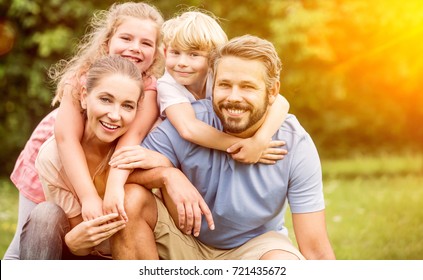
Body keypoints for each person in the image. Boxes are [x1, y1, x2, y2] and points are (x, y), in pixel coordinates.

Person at [110, 35, 336, 260]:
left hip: (255, 247)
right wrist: (167, 175)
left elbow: (316, 251)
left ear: (273, 91)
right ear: (213, 84)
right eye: (225, 85)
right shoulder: (189, 122)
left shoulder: (295, 143)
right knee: (132, 199)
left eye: (247, 87)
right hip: (183, 240)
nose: (233, 98)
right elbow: (126, 175)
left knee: (284, 264)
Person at [3, 1, 164, 260]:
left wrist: (113, 187)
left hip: (103, 160)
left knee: (86, 233)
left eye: (146, 43)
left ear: (156, 52)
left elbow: (131, 140)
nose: (135, 48)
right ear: (108, 41)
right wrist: (89, 197)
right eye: (126, 38)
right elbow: (66, 139)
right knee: (26, 241)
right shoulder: (81, 77)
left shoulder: (150, 90)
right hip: (56, 152)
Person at [20, 55, 168, 259]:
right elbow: (86, 240)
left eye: (127, 105)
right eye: (105, 99)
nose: (115, 115)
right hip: (84, 255)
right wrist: (73, 244)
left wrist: (168, 170)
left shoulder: (142, 146)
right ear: (84, 95)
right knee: (44, 215)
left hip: (133, 251)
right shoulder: (53, 158)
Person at [154, 10, 289, 164]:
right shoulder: (167, 83)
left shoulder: (218, 76)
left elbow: (281, 102)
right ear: (165, 52)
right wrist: (243, 146)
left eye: (194, 54)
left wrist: (259, 142)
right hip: (179, 151)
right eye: (175, 53)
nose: (182, 62)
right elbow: (189, 129)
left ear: (212, 58)